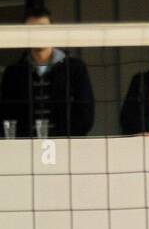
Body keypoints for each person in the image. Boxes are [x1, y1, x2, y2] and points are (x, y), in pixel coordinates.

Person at [0, 9, 95, 137]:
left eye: (43, 29)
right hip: (25, 149)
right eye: (31, 31)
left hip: (68, 146)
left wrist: (68, 139)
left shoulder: (75, 68)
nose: (38, 35)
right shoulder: (13, 73)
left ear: (52, 31)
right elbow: (6, 115)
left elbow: (86, 114)